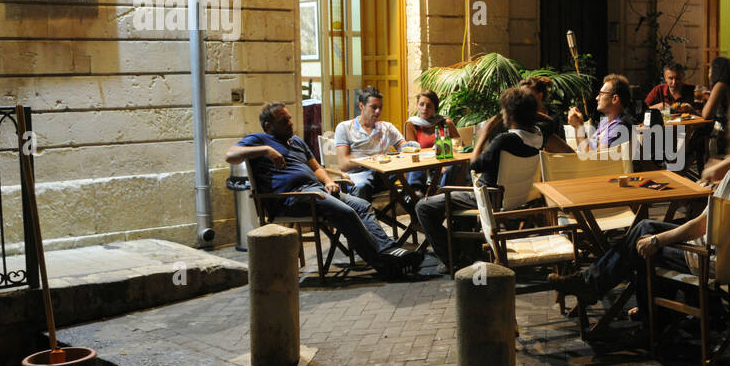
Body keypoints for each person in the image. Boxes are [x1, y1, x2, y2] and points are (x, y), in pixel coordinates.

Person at [550, 110, 730, 317]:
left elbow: (702, 225)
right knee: (645, 228)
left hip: (710, 258)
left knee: (644, 239)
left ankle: (634, 308)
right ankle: (645, 308)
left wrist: (657, 240)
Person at [227, 102, 415, 279]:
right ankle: (385, 264)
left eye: (290, 118)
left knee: (362, 205)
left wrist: (327, 181)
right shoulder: (259, 140)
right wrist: (266, 150)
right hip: (294, 198)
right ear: (268, 126)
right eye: (284, 121)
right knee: (347, 213)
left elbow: (317, 168)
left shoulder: (297, 142)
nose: (290, 123)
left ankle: (389, 250)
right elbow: (231, 155)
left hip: (317, 191)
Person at [417, 87, 544, 272]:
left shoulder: (504, 140)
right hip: (518, 196)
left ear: (511, 114)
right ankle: (467, 251)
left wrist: (483, 134)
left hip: (487, 197)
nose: (501, 113)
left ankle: (452, 259)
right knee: (457, 196)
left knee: (423, 207)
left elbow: (474, 164)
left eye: (503, 110)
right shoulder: (539, 135)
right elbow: (547, 121)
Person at [333, 86, 405, 201]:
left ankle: (415, 204)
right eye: (373, 107)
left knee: (406, 178)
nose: (378, 111)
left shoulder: (387, 127)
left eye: (380, 107)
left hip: (382, 175)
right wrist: (372, 159)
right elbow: (344, 164)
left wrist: (410, 147)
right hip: (358, 176)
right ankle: (364, 218)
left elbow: (404, 148)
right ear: (361, 106)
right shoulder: (345, 127)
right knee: (363, 186)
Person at [568, 74, 637, 155]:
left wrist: (579, 127)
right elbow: (587, 148)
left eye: (601, 94)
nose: (597, 98)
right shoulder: (605, 122)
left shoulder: (619, 126)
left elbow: (594, 160)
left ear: (615, 99)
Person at [700, 56, 730, 157]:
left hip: (726, 135)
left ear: (717, 72)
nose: (709, 74)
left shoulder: (720, 85)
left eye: (710, 70)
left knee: (695, 140)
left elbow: (706, 115)